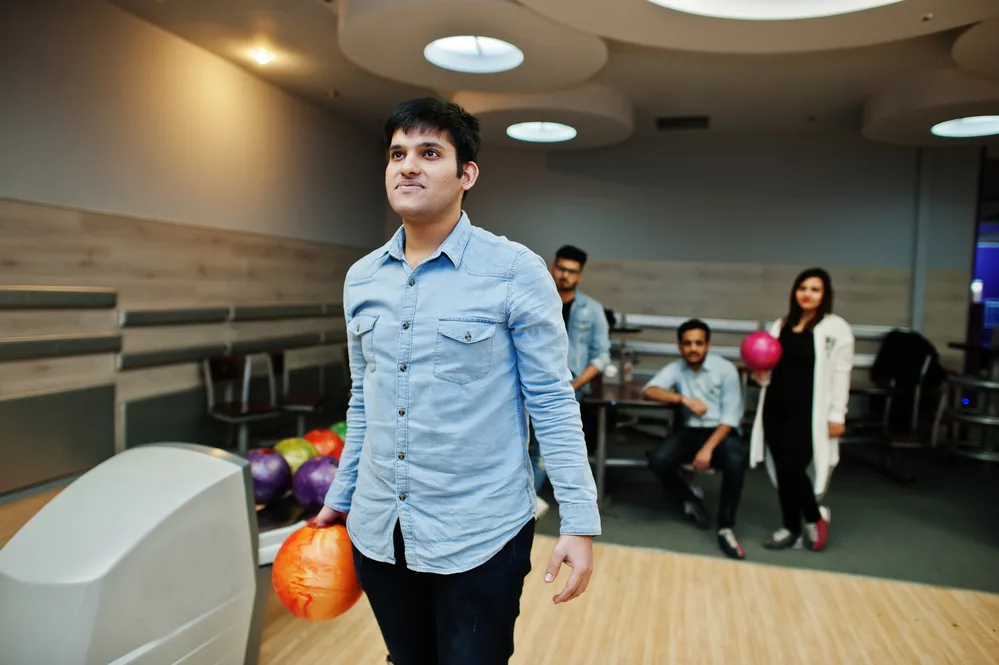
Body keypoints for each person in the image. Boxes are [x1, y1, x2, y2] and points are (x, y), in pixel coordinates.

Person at [315, 97, 600, 665]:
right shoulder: (361, 277)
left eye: (429, 152)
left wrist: (579, 520)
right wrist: (341, 496)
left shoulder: (515, 271)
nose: (408, 166)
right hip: (379, 528)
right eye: (397, 153)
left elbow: (551, 400)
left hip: (481, 532)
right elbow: (363, 401)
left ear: (466, 173)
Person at [749, 268, 854, 552]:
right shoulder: (781, 324)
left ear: (824, 295)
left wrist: (837, 415)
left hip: (809, 414)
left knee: (793, 469)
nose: (807, 294)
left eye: (815, 289)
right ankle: (790, 528)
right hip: (775, 407)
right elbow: (769, 365)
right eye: (802, 288)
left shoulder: (836, 328)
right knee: (783, 472)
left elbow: (841, 374)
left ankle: (813, 516)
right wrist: (760, 375)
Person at [641, 319, 747, 560]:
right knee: (658, 460)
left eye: (699, 343)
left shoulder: (725, 369)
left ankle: (725, 526)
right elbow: (649, 390)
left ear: (708, 345)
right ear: (680, 346)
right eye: (687, 343)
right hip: (691, 431)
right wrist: (683, 400)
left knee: (736, 461)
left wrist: (707, 450)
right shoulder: (676, 368)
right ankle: (689, 499)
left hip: (722, 431)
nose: (693, 348)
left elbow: (731, 418)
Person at [529, 244, 611, 519]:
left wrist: (573, 386)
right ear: (553, 267)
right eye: (561, 268)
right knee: (518, 439)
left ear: (580, 276)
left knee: (543, 442)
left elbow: (601, 358)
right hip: (531, 380)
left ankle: (527, 500)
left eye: (572, 271)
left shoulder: (592, 310)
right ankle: (522, 496)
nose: (565, 275)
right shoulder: (535, 301)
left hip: (569, 387)